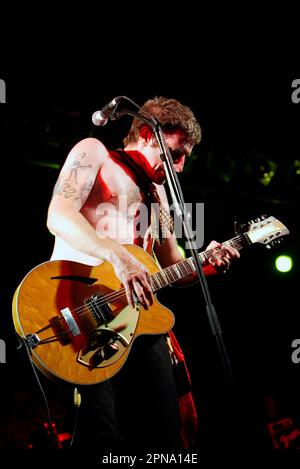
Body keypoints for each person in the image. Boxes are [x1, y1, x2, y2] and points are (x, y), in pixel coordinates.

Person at [46, 96, 240, 452]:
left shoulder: (159, 194)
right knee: (100, 438)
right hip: (80, 310)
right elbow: (58, 215)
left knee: (167, 437)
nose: (179, 168)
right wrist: (117, 256)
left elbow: (171, 266)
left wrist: (207, 261)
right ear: (150, 135)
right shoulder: (94, 153)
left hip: (140, 321)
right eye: (175, 154)